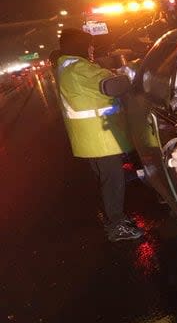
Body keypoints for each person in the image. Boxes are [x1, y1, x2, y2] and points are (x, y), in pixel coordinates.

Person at [56, 28, 143, 242]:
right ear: (79, 45)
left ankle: (113, 219)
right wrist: (131, 74)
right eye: (89, 44)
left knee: (105, 179)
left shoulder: (66, 66)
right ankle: (117, 226)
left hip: (89, 137)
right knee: (113, 180)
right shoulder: (78, 68)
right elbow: (110, 84)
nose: (92, 48)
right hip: (99, 136)